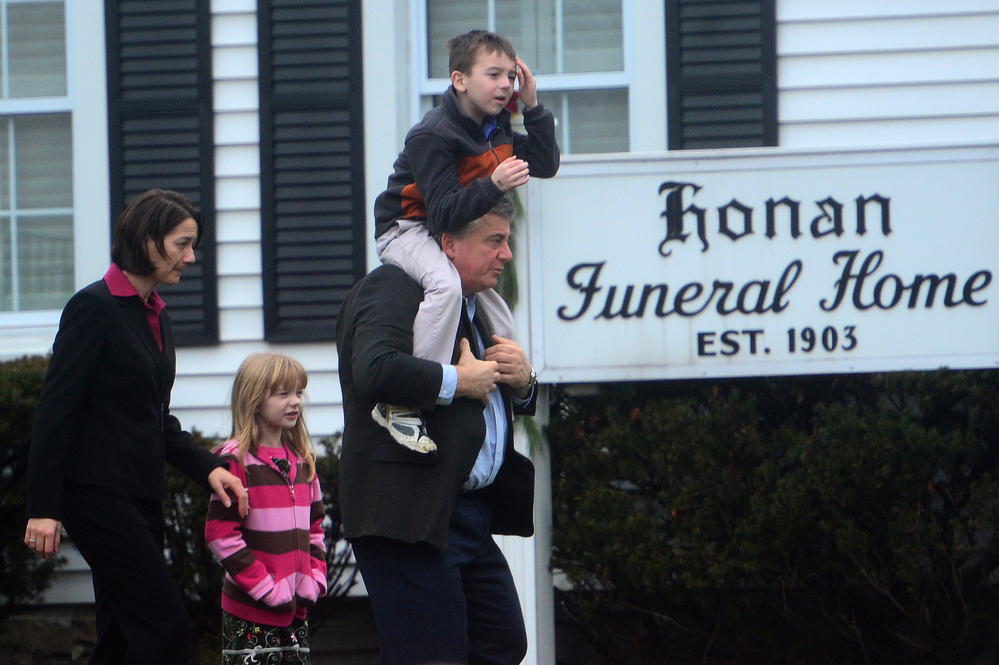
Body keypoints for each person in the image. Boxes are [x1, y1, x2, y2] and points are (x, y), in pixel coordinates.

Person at [22, 188, 250, 665]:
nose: (190, 257)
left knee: (121, 634)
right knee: (163, 624)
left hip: (139, 496)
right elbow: (55, 411)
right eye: (182, 243)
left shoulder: (156, 316)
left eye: (193, 246)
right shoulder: (94, 308)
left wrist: (208, 467)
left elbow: (153, 417)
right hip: (96, 495)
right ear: (147, 239)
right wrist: (43, 507)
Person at [336, 196, 539, 665]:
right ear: (448, 243)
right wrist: (457, 381)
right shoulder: (391, 288)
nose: (506, 254)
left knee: (501, 643)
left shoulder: (480, 306)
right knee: (429, 655)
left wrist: (524, 382)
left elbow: (490, 404)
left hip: (464, 513)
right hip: (405, 514)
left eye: (506, 241)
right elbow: (374, 369)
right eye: (494, 241)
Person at [370, 29, 559, 453]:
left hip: (445, 231)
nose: (505, 84)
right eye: (493, 75)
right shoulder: (433, 133)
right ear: (459, 80)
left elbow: (545, 162)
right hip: (406, 229)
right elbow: (441, 214)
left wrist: (532, 105)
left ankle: (493, 400)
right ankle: (404, 402)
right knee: (446, 287)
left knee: (502, 320)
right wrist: (493, 184)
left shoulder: (496, 129)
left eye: (511, 76)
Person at [205, 353, 327, 665]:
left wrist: (315, 578)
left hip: (295, 611)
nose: (295, 401)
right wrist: (266, 588)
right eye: (283, 393)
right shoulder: (236, 460)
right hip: (251, 613)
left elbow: (315, 528)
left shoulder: (302, 460)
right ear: (255, 399)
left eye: (298, 392)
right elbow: (220, 534)